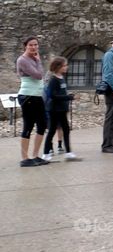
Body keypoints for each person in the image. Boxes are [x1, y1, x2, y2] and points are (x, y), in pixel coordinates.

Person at [16, 36, 49, 167]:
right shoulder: (22, 60)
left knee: (42, 125)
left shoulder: (33, 59)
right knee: (28, 126)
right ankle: (25, 158)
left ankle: (35, 155)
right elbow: (38, 75)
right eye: (31, 45)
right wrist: (39, 61)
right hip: (27, 96)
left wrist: (37, 61)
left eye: (36, 45)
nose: (34, 47)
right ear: (25, 46)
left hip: (37, 96)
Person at [42, 57, 77, 161]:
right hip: (54, 109)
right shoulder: (53, 80)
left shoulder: (62, 78)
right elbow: (52, 95)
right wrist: (69, 97)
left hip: (62, 109)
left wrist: (68, 96)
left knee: (66, 129)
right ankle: (46, 153)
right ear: (58, 67)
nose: (67, 67)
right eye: (65, 65)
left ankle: (68, 152)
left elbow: (62, 92)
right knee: (52, 130)